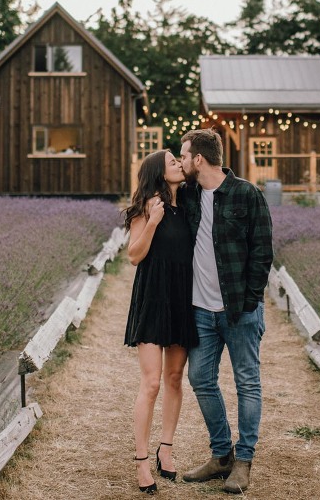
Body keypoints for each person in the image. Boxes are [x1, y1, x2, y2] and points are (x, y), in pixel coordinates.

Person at [178, 129, 273, 494]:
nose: (182, 162)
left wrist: (249, 302)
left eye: (184, 156)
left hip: (239, 311)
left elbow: (262, 251)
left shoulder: (247, 194)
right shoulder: (187, 196)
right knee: (201, 378)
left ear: (199, 159)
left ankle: (244, 461)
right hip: (200, 311)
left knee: (247, 382)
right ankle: (222, 456)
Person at [123, 150, 199, 494]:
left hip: (183, 297)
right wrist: (153, 220)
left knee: (174, 378)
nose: (179, 164)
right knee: (151, 382)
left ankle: (165, 449)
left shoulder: (188, 204)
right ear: (158, 172)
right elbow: (134, 255)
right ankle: (141, 462)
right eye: (172, 162)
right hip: (153, 296)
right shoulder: (147, 206)